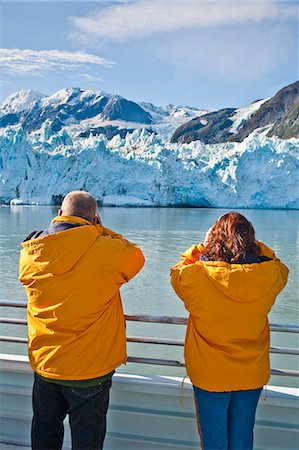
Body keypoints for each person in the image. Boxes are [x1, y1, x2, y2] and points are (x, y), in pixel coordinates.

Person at [19, 191, 145, 450]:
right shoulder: (107, 250)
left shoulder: (31, 252)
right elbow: (136, 256)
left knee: (44, 436)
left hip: (47, 364)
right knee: (87, 443)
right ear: (95, 218)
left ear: (59, 215)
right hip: (90, 371)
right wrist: (99, 231)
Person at [170, 212, 289, 450]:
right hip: (251, 372)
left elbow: (177, 270)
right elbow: (276, 261)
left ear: (214, 239)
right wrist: (254, 248)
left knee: (214, 442)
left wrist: (202, 247)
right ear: (251, 240)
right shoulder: (270, 275)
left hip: (210, 373)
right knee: (243, 439)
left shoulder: (197, 276)